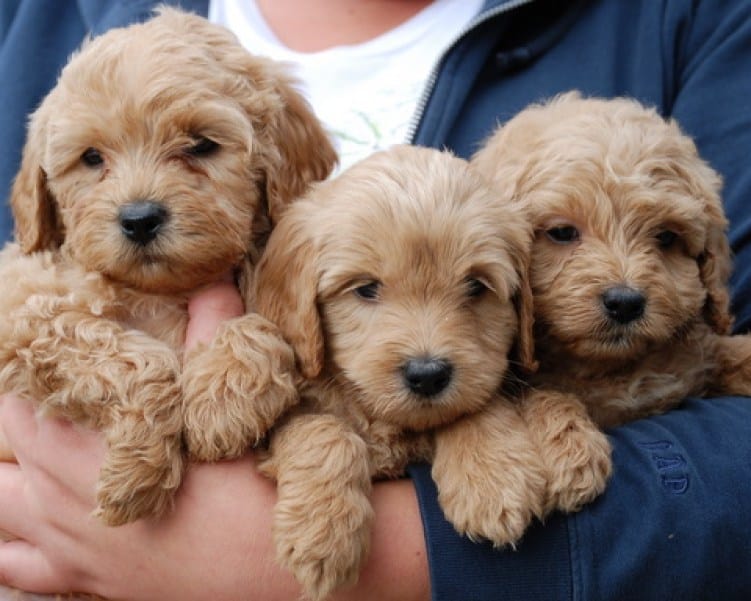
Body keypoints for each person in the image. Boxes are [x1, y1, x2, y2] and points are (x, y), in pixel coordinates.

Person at [1, 0, 751, 599]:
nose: (136, 199)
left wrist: (402, 557)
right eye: (91, 159)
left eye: (199, 147)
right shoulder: (37, 18)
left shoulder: (693, 20)